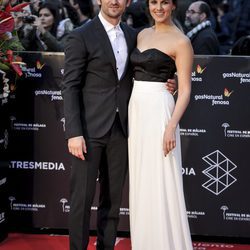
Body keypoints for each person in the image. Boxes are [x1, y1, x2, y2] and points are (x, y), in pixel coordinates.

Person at [62, 0, 176, 249]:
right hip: (88, 131)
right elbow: (69, 86)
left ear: (127, 2)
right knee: (81, 201)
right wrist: (74, 133)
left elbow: (151, 67)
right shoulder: (80, 36)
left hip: (123, 129)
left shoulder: (135, 36)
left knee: (112, 203)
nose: (114, 1)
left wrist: (169, 81)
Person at [128, 0, 193, 249]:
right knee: (142, 179)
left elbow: (185, 90)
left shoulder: (181, 41)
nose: (158, 7)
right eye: (154, 2)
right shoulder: (142, 34)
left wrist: (170, 126)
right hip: (137, 111)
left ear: (173, 6)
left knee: (161, 178)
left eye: (164, 2)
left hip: (160, 113)